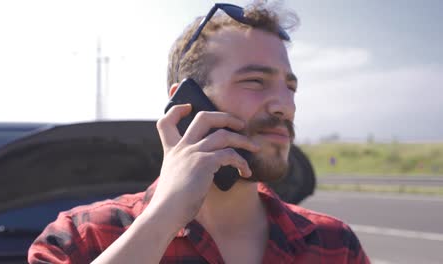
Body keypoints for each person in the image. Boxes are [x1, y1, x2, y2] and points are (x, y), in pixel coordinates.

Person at [29, 3, 370, 264]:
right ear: (187, 103)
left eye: (290, 87)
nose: (285, 105)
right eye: (255, 81)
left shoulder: (334, 245)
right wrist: (162, 219)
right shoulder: (82, 238)